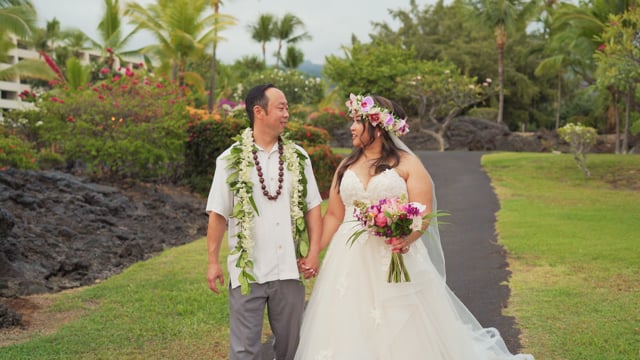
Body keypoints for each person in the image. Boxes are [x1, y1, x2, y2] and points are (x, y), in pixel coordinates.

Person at [295, 93, 534, 359]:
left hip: (394, 254)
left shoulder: (408, 164)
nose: (351, 127)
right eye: (352, 121)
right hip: (347, 260)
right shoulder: (345, 165)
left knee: (400, 322)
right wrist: (315, 251)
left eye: (357, 121)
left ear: (378, 125)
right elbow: (333, 216)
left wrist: (406, 238)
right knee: (346, 322)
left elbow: (424, 212)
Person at [205, 84, 323, 360]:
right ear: (259, 111)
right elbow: (218, 213)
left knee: (291, 349)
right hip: (249, 271)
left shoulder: (299, 157)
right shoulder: (230, 160)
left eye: (287, 108)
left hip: (289, 272)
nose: (287, 113)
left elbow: (313, 207)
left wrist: (314, 253)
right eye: (281, 107)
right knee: (244, 350)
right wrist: (212, 262)